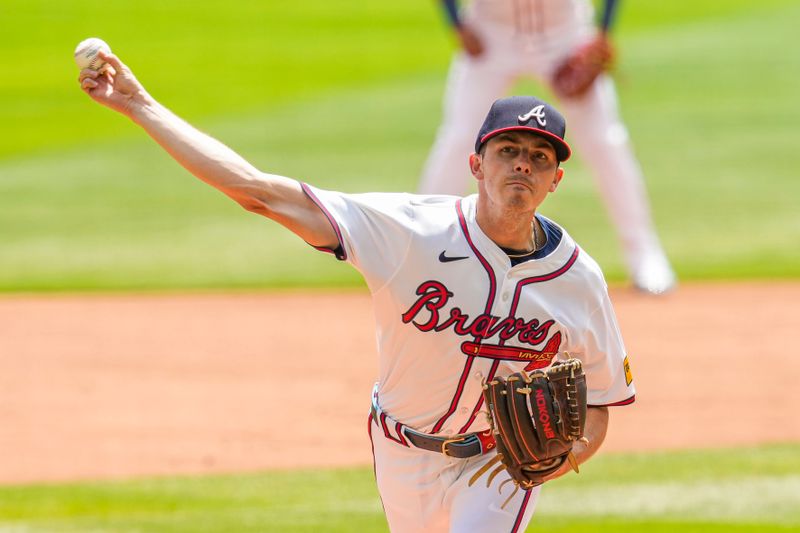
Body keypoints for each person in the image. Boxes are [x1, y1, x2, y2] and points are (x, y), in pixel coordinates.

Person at [78, 50, 635, 532]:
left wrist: (562, 457)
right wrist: (139, 104)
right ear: (476, 163)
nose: (523, 164)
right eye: (508, 149)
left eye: (540, 157)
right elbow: (257, 192)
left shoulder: (577, 279)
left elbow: (600, 399)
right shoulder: (408, 232)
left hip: (500, 463)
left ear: (556, 179)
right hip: (400, 448)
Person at [420, 0, 676, 295]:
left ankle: (644, 255)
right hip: (491, 37)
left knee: (605, 141)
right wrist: (457, 23)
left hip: (564, 37)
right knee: (458, 138)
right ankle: (424, 249)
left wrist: (604, 32)